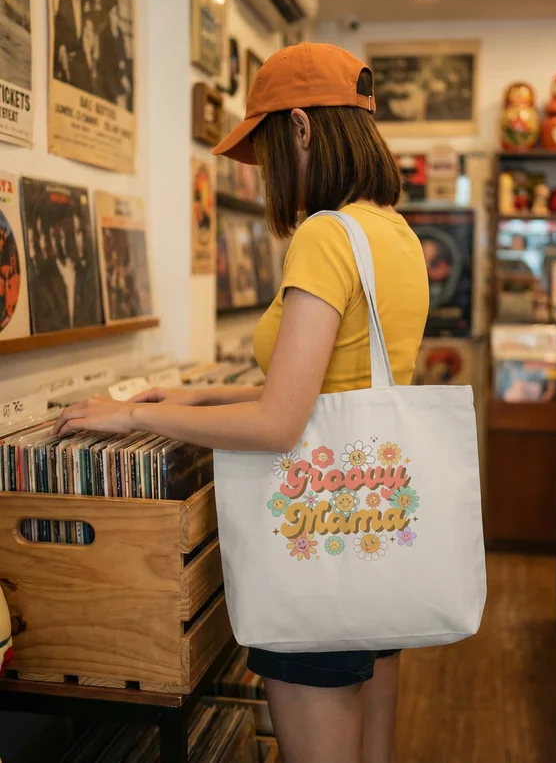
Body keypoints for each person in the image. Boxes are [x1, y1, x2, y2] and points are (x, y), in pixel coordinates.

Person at [53, 43, 429, 763]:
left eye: (266, 151)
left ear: (301, 127)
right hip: (376, 529)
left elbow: (280, 421)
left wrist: (130, 416)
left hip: (317, 540)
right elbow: (335, 384)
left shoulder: (326, 235)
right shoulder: (394, 232)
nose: (267, 180)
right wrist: (194, 394)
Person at [54, 0, 84, 84]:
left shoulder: (83, 0)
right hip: (67, 55)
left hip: (80, 56)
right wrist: (61, 47)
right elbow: (59, 24)